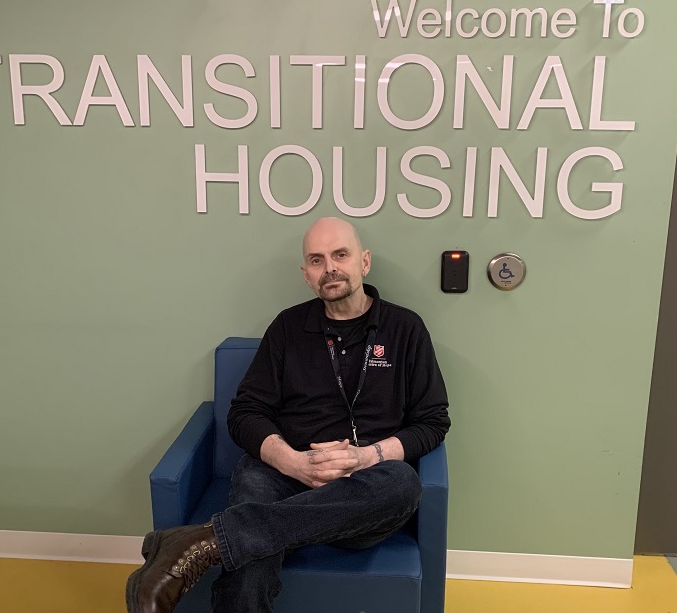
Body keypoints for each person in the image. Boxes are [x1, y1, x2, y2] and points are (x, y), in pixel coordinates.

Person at [126, 217, 450, 613]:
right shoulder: (287, 328)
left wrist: (367, 457)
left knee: (402, 483)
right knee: (254, 519)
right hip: (284, 476)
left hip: (365, 488)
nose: (329, 267)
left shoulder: (406, 329)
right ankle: (236, 537)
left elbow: (433, 421)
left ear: (364, 262)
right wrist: (294, 463)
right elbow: (245, 412)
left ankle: (205, 542)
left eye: (340, 255)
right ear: (306, 274)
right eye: (316, 260)